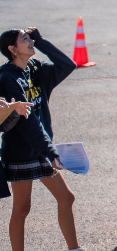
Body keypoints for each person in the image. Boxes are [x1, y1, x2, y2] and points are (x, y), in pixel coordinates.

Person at [0, 27, 82, 251]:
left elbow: (68, 65)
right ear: (12, 49)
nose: (31, 42)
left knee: (66, 198)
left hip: (42, 149)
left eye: (30, 38)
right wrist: (51, 153)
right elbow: (28, 124)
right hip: (21, 152)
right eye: (25, 39)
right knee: (22, 208)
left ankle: (75, 249)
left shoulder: (34, 70)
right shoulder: (8, 79)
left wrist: (42, 41)